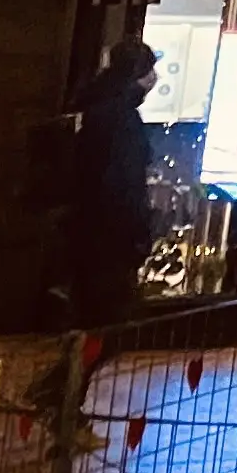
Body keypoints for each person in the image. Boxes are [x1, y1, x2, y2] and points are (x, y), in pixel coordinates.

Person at [66, 37, 161, 326]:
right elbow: (124, 182)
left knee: (90, 310)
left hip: (88, 227)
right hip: (110, 234)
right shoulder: (121, 117)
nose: (153, 79)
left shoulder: (97, 104)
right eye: (149, 71)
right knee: (106, 314)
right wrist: (138, 232)